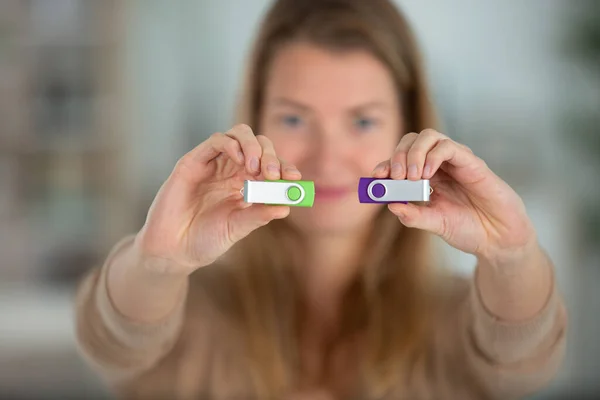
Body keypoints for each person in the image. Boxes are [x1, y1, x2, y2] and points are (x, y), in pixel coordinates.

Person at [74, 0, 567, 399]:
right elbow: (110, 344)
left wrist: (512, 255)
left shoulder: (454, 326)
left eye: (363, 121)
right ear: (256, 121)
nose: (328, 160)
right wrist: (155, 263)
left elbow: (526, 361)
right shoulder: (191, 318)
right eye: (293, 119)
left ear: (408, 127)